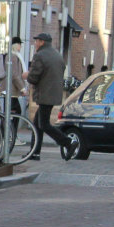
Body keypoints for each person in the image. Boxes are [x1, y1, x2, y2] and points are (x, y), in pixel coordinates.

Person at [25, 32, 74, 160]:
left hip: (44, 95)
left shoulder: (40, 55)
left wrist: (27, 76)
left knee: (44, 124)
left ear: (42, 42)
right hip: (53, 94)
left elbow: (34, 78)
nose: (35, 43)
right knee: (37, 124)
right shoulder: (57, 55)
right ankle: (34, 152)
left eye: (36, 41)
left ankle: (68, 142)